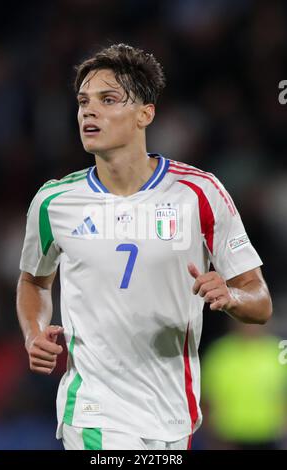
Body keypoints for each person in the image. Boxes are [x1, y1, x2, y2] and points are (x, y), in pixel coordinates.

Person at [16, 43, 272, 451]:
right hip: (94, 411)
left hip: (173, 413)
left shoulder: (200, 194)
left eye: (108, 99)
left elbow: (260, 302)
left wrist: (232, 294)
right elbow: (34, 281)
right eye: (83, 101)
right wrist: (33, 334)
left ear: (144, 114)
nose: (88, 111)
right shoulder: (54, 202)